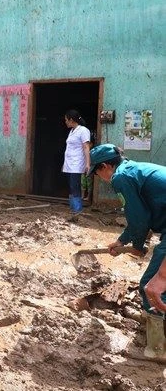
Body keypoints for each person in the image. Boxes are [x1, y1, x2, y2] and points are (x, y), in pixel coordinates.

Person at [89, 143, 166, 360]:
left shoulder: (120, 178)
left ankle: (157, 349)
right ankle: (155, 323)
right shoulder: (133, 169)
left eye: (96, 172)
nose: (98, 177)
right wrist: (123, 241)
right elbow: (143, 215)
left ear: (104, 166)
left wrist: (138, 246)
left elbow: (140, 220)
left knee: (150, 286)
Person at [62, 109, 91, 217]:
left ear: (71, 120)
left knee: (75, 185)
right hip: (69, 163)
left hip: (77, 163)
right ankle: (73, 208)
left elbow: (86, 146)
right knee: (71, 186)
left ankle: (77, 209)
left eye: (66, 120)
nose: (65, 122)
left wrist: (88, 163)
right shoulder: (72, 131)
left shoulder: (83, 130)